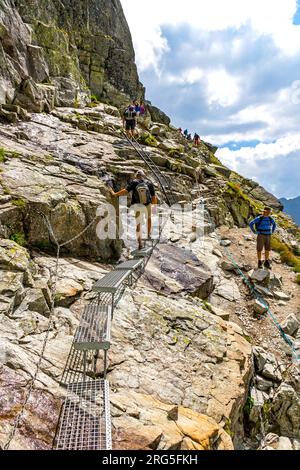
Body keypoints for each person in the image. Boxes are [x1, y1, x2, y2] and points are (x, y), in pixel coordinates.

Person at [110, 170, 157, 250]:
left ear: (136, 176)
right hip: (147, 205)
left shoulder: (134, 182)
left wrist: (115, 194)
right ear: (143, 176)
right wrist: (154, 208)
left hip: (137, 205)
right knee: (149, 218)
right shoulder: (149, 183)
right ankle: (148, 234)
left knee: (138, 224)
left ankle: (140, 244)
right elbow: (153, 197)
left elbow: (125, 191)